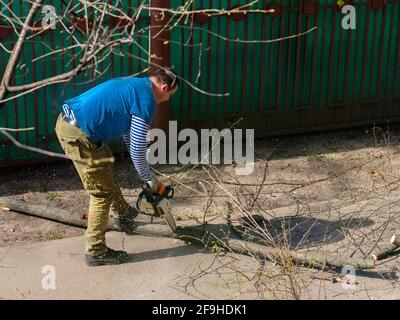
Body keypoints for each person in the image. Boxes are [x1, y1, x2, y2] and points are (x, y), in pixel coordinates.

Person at [55, 69, 178, 266]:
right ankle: (96, 251)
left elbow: (130, 135)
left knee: (105, 166)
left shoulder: (134, 85)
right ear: (164, 88)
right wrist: (149, 179)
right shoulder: (146, 99)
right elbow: (138, 147)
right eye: (169, 95)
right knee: (101, 193)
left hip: (76, 126)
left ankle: (123, 214)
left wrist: (145, 174)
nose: (167, 100)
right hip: (79, 134)